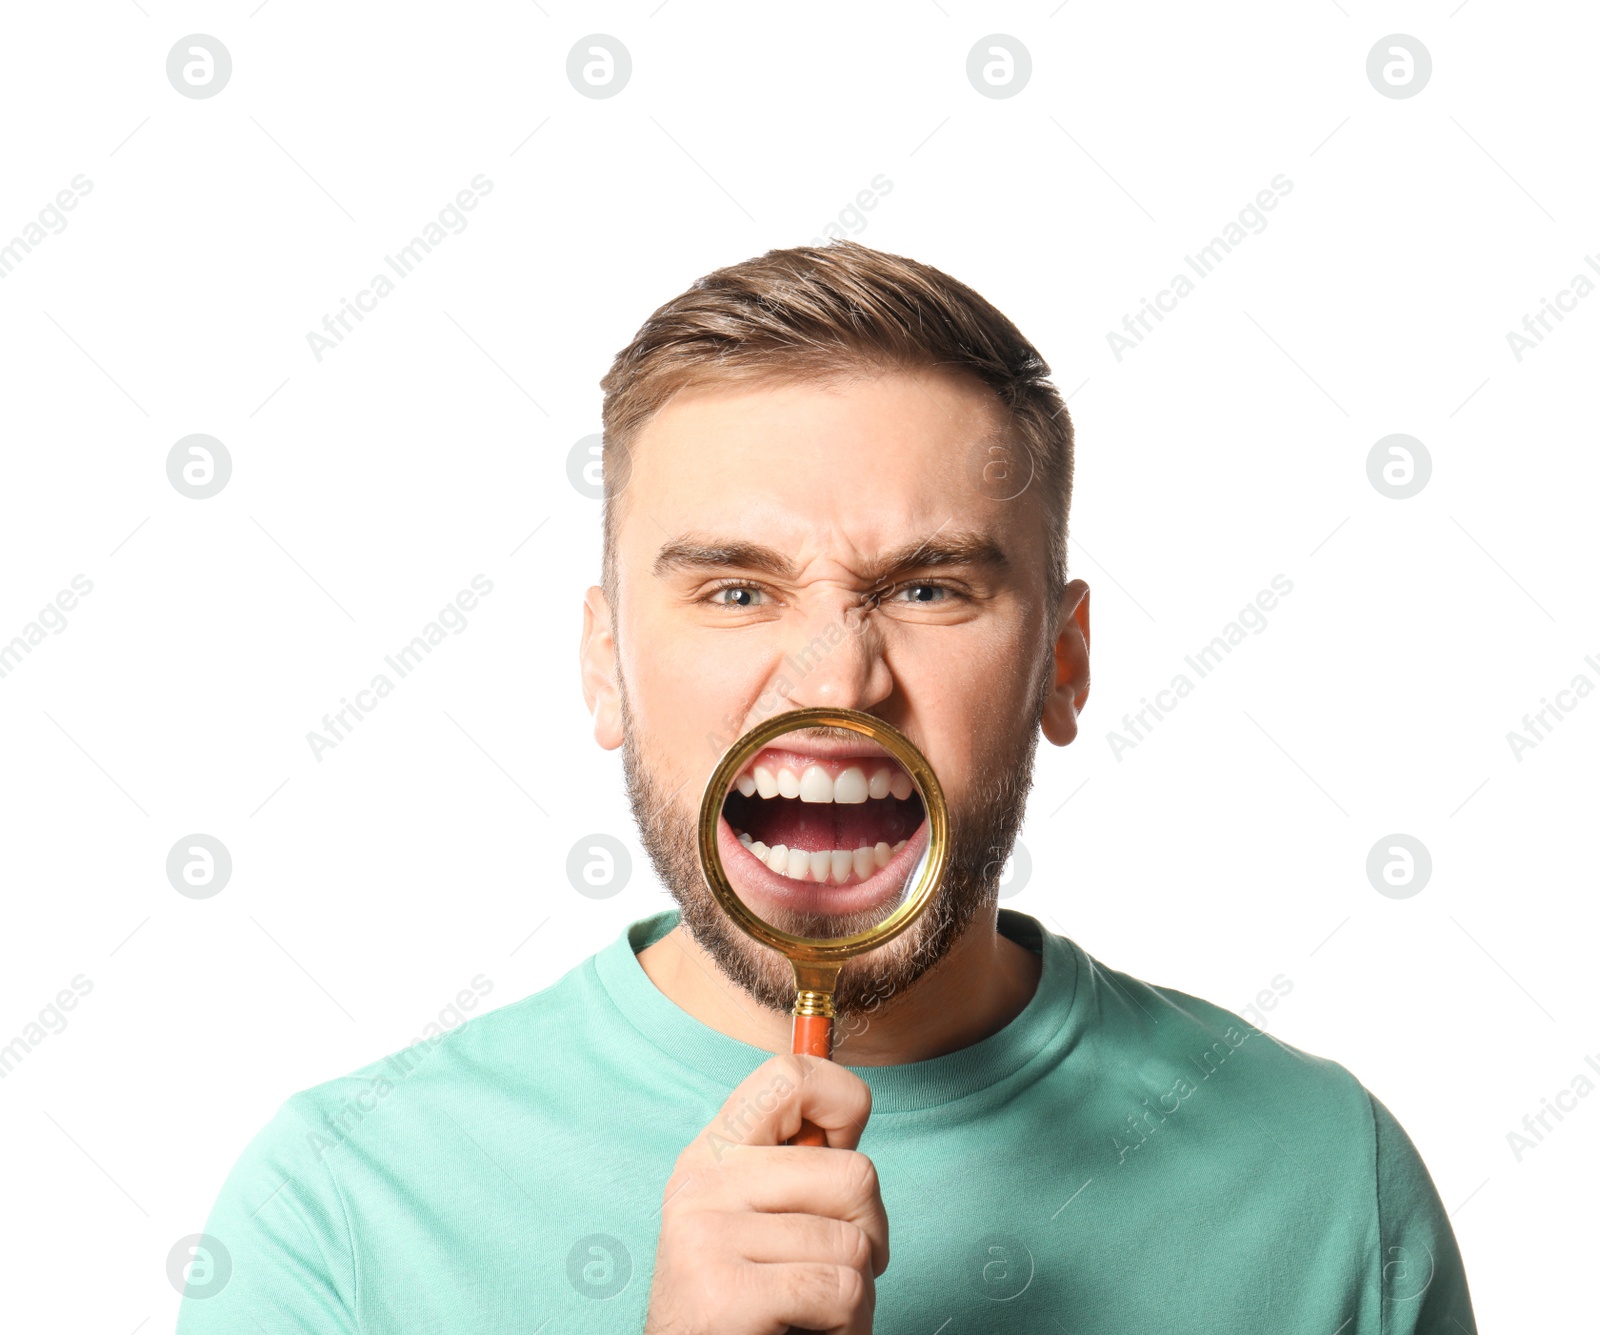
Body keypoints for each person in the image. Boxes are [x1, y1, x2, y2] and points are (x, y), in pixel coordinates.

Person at [177, 241, 1477, 1333]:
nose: (833, 681)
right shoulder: (342, 1211)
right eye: (736, 590)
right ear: (605, 663)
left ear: (1063, 665)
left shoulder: (1327, 1187)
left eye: (928, 589)